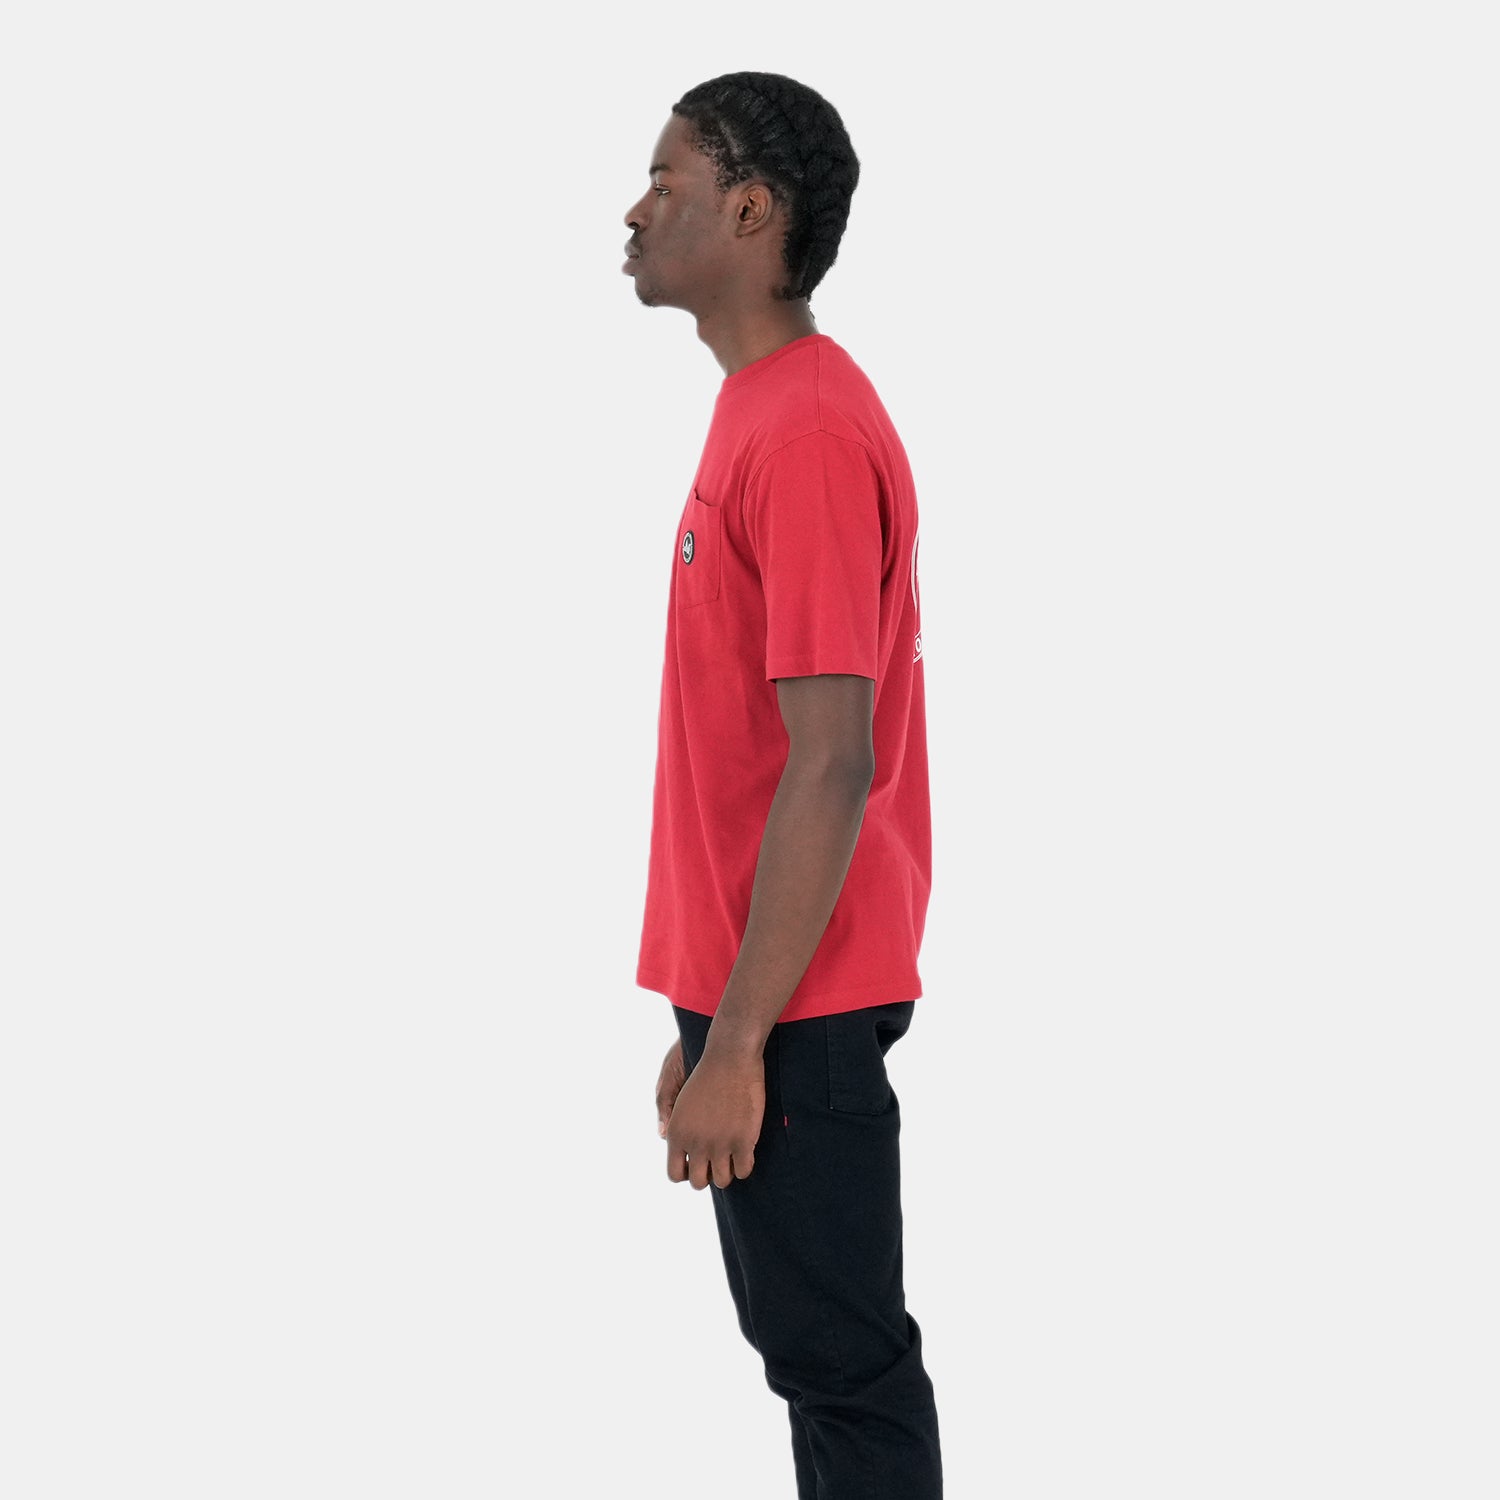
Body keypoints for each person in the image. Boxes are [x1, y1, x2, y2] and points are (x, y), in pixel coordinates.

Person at [623, 72, 942, 1499]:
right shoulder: (761, 407)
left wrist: (743, 1041)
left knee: (844, 1370)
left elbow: (831, 763)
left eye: (668, 182)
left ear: (751, 212)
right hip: (766, 992)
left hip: (799, 1004)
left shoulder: (805, 434)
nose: (637, 212)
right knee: (814, 1357)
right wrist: (709, 1014)